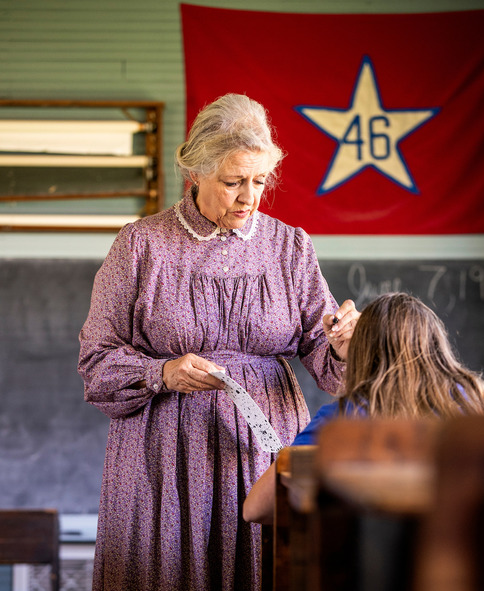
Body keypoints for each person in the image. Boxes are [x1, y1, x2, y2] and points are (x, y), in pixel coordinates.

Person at [78, 93, 360, 591]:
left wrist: (340, 344)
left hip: (259, 451)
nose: (249, 197)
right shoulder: (142, 245)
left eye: (259, 181)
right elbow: (97, 361)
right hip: (162, 459)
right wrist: (160, 373)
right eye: (233, 183)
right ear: (198, 174)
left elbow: (325, 358)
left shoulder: (290, 245)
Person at [243, 291, 484, 524]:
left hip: (372, 566)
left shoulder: (342, 420)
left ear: (365, 352)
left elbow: (255, 509)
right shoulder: (473, 401)